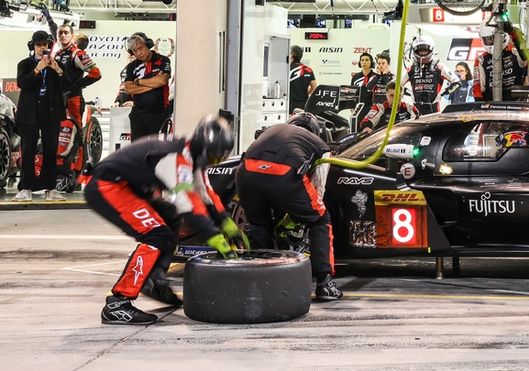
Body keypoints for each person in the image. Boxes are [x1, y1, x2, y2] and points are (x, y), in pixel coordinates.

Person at [84, 114, 244, 324]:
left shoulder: (190, 153)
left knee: (170, 217)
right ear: (203, 146)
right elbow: (187, 203)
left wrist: (225, 221)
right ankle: (118, 303)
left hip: (128, 187)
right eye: (213, 156)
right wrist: (213, 235)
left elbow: (205, 192)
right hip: (108, 187)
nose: (214, 161)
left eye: (219, 158)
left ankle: (155, 279)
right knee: (157, 235)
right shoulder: (174, 156)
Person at [237, 112, 342, 301]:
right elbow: (319, 188)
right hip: (284, 175)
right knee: (320, 220)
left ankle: (258, 281)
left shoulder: (270, 131)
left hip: (246, 173)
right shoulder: (321, 146)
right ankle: (325, 283)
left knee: (259, 225)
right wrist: (298, 217)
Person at [13, 30, 66, 202]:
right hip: (29, 112)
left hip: (51, 111)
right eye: (39, 45)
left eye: (45, 44)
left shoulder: (57, 64)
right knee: (28, 149)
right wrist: (37, 69)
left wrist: (58, 70)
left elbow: (67, 86)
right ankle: (26, 187)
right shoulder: (25, 64)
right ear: (33, 46)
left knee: (51, 150)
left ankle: (50, 188)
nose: (42, 48)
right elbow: (22, 83)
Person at [54, 25, 102, 185]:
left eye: (66, 33)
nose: (62, 35)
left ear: (72, 35)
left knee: (76, 135)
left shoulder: (77, 53)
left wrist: (77, 85)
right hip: (58, 99)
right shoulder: (58, 54)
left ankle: (76, 175)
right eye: (60, 33)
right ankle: (60, 170)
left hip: (73, 99)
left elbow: (96, 73)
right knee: (59, 134)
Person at [123, 33, 172, 140]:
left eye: (140, 48)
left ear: (148, 45)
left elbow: (163, 80)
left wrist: (139, 82)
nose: (138, 53)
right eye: (134, 51)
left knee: (158, 148)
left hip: (159, 114)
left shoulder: (163, 60)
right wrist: (154, 84)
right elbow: (128, 89)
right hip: (138, 115)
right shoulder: (131, 66)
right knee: (138, 148)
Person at [476, 26, 528, 102]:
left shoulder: (514, 52)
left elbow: (524, 57)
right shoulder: (481, 59)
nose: (491, 42)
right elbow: (477, 88)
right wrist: (480, 105)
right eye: (487, 39)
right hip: (492, 104)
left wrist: (513, 34)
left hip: (516, 102)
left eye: (494, 38)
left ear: (503, 36)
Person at [405, 37, 455, 114]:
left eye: (425, 50)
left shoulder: (439, 67)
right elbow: (395, 84)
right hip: (416, 108)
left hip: (433, 107)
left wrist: (441, 94)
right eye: (420, 51)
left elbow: (457, 82)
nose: (422, 53)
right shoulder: (411, 68)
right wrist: (410, 93)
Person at [288, 45, 317, 113]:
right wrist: (306, 93)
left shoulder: (286, 69)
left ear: (292, 55)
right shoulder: (308, 69)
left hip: (289, 104)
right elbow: (314, 86)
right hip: (304, 104)